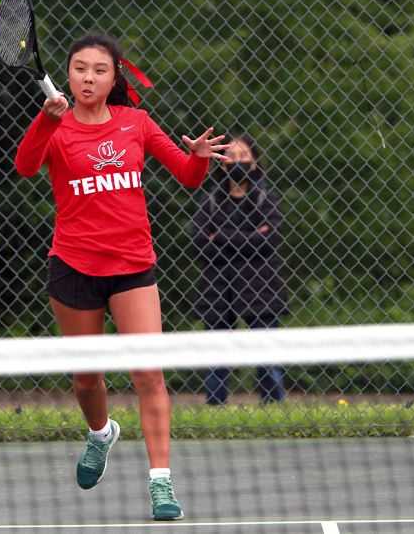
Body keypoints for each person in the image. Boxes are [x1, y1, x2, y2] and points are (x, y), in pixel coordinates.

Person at [14, 32, 230, 521]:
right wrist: (43, 123)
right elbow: (26, 167)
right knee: (87, 379)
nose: (88, 77)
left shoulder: (136, 124)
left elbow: (189, 176)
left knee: (148, 373)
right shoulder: (56, 125)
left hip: (133, 267)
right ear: (67, 74)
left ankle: (160, 484)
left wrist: (196, 154)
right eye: (80, 68)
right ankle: (100, 434)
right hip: (73, 267)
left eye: (99, 70)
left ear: (114, 79)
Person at [191, 135, 288, 405]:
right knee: (218, 355)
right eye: (231, 157)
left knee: (266, 354)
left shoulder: (265, 199)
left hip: (260, 287)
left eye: (243, 156)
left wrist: (220, 237)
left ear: (255, 162)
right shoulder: (210, 201)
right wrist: (249, 238)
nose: (237, 162)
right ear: (222, 164)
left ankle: (273, 407)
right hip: (218, 287)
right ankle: (216, 408)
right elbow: (199, 241)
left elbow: (270, 240)